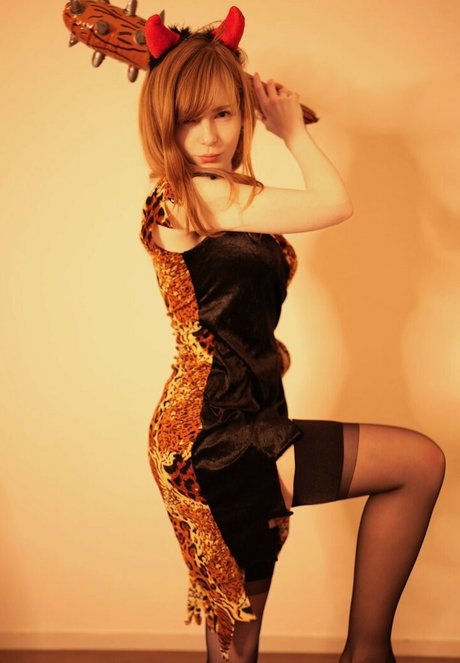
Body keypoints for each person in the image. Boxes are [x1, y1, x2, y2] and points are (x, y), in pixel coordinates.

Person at [137, 8, 446, 663]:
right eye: (189, 120)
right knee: (236, 639)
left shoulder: (229, 193)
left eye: (223, 113)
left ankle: (367, 651)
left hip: (253, 420)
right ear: (164, 123)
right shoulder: (192, 197)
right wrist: (293, 133)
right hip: (212, 435)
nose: (209, 135)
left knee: (417, 464)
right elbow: (336, 202)